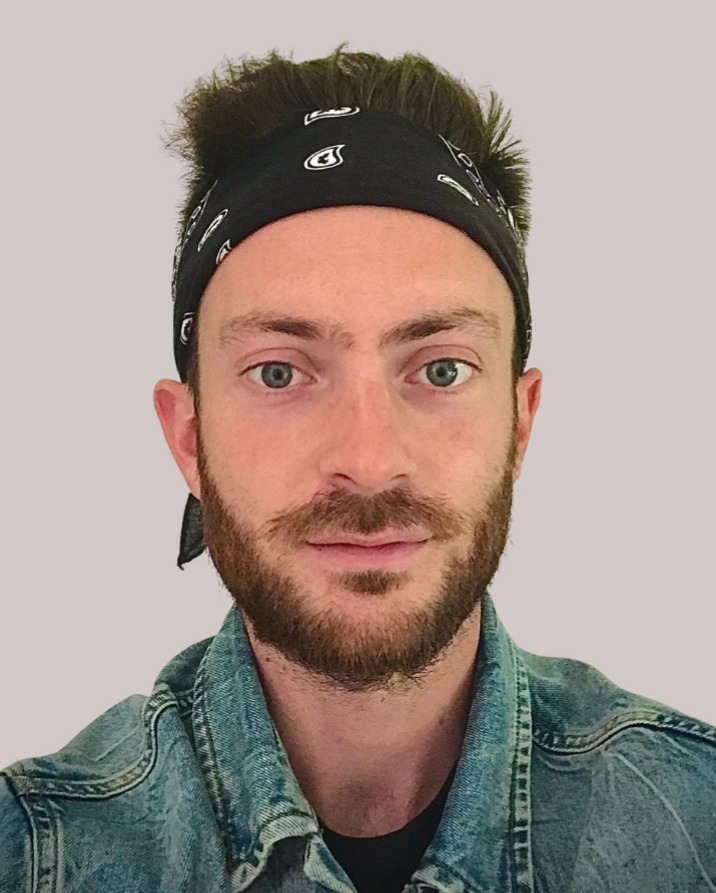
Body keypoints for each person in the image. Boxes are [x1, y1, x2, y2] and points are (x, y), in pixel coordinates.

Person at [1, 46, 714, 893]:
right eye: (279, 372)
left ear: (519, 422)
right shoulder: (32, 858)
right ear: (188, 436)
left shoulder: (696, 827)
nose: (369, 462)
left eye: (440, 369)